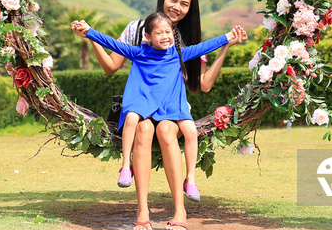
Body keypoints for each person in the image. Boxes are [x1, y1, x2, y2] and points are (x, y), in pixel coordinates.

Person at [88, 0, 247, 230]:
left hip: (172, 108)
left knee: (164, 130)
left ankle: (179, 212)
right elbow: (111, 67)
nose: (177, 7)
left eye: (184, 4)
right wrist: (93, 39)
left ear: (190, 9)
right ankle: (142, 212)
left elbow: (204, 84)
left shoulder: (187, 40)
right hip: (143, 104)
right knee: (143, 129)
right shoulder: (137, 29)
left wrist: (225, 47)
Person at [71, 14, 245, 199]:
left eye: (168, 32)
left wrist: (228, 37)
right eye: (159, 32)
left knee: (191, 131)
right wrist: (89, 32)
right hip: (143, 101)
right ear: (147, 36)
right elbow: (113, 44)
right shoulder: (138, 52)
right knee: (130, 117)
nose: (165, 36)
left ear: (174, 33)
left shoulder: (179, 53)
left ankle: (191, 180)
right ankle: (125, 167)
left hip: (170, 105)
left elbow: (205, 46)